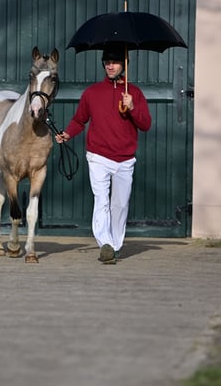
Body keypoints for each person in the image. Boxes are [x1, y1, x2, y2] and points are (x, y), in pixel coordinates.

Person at [55, 44, 152, 264]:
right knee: (101, 201)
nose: (110, 66)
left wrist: (133, 106)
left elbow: (146, 124)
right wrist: (67, 134)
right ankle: (105, 245)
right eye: (107, 62)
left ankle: (115, 246)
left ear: (124, 64)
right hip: (98, 156)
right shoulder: (92, 93)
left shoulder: (134, 93)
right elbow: (80, 120)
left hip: (125, 158)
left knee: (120, 204)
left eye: (115, 62)